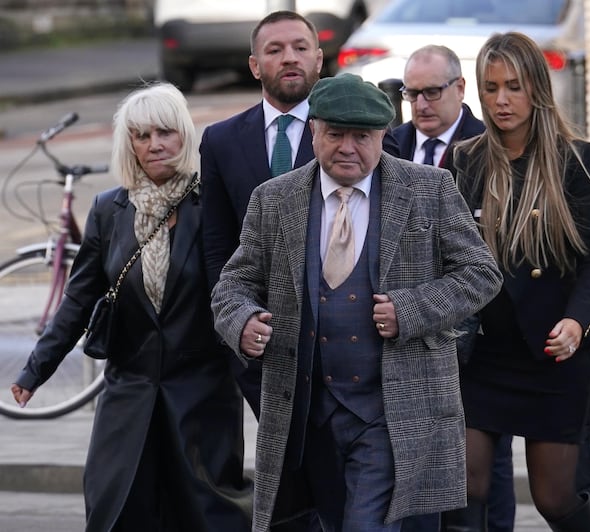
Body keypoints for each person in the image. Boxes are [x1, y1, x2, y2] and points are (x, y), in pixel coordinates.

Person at [210, 73, 503, 531]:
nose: (348, 147)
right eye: (335, 134)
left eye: (362, 136)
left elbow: (481, 274)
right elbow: (234, 284)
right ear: (313, 132)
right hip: (307, 415)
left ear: (383, 135)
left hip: (392, 412)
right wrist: (243, 321)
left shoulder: (431, 189)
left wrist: (409, 310)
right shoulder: (273, 199)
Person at [10, 82, 252, 531]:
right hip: (129, 392)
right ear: (130, 145)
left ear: (184, 135)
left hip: (201, 395)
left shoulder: (212, 203)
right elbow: (79, 299)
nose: (155, 144)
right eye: (142, 135)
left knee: (206, 516)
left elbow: (239, 288)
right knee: (114, 509)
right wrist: (35, 370)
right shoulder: (108, 209)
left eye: (165, 132)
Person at [445, 32, 590, 531]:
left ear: (537, 88)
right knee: (464, 487)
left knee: (554, 498)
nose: (501, 100)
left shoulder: (574, 159)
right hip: (485, 355)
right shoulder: (465, 160)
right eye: (491, 87)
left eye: (513, 86)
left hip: (552, 353)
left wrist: (577, 322)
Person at [200, 10, 399, 420]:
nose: (290, 57)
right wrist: (236, 327)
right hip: (265, 348)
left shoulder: (362, 132)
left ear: (319, 59)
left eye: (300, 48)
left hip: (350, 346)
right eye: (275, 50)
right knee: (288, 476)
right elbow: (218, 246)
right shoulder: (220, 141)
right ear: (255, 66)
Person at [390, 43, 515, 532]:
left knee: (485, 468)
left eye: (431, 92)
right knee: (419, 461)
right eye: (410, 93)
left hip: (482, 335)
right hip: (410, 330)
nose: (420, 104)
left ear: (460, 89)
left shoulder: (494, 146)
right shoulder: (389, 145)